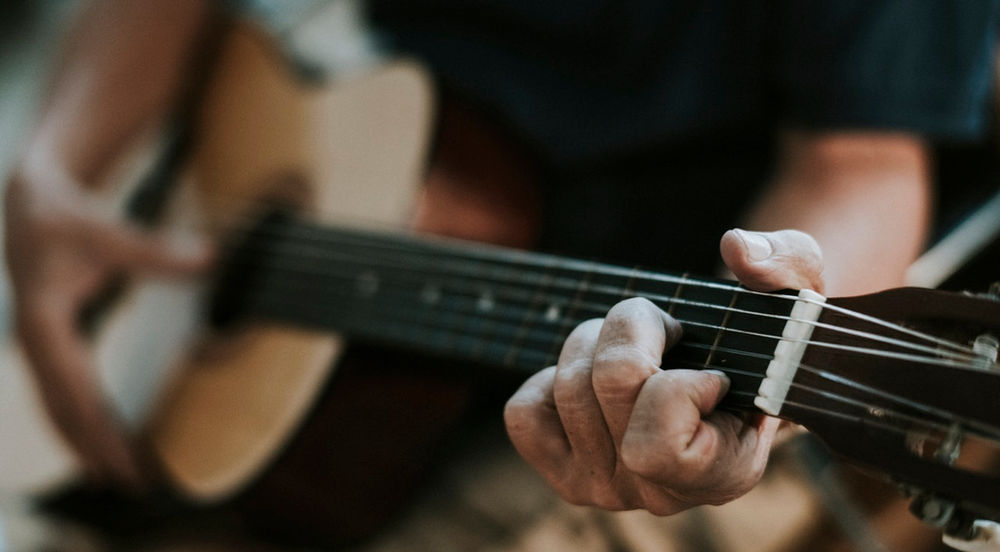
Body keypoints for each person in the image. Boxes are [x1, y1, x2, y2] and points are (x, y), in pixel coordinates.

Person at [4, 0, 997, 539]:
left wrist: (758, 406)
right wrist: (52, 174)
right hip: (337, 151)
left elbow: (857, 158)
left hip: (588, 371)